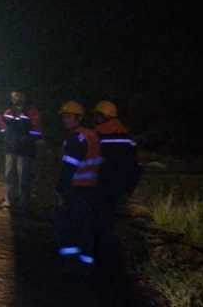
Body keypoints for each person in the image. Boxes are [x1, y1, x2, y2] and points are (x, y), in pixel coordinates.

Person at [55, 101, 104, 268]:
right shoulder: (91, 134)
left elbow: (69, 166)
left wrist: (60, 188)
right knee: (85, 224)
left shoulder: (77, 138)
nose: (65, 120)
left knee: (69, 223)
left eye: (68, 117)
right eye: (64, 117)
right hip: (90, 186)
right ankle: (86, 260)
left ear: (78, 118)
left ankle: (69, 261)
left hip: (76, 187)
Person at [93, 100, 140, 210]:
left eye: (97, 115)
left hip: (103, 182)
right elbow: (134, 159)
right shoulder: (127, 135)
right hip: (123, 183)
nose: (95, 119)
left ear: (103, 116)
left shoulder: (97, 134)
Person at [2, 91, 42, 210]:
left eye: (18, 96)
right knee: (9, 176)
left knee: (23, 177)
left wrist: (27, 139)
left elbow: (37, 130)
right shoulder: (9, 111)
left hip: (25, 150)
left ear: (24, 97)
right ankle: (8, 200)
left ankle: (23, 202)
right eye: (13, 96)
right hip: (10, 148)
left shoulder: (32, 111)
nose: (15, 98)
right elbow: (3, 127)